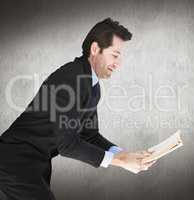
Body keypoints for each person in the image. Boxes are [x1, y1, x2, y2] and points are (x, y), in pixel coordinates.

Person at [0, 18, 156, 200]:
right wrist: (121, 161)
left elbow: (88, 134)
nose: (118, 63)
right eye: (115, 55)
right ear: (95, 49)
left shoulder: (92, 86)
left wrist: (124, 154)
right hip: (15, 163)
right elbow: (67, 145)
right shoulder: (70, 77)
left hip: (31, 165)